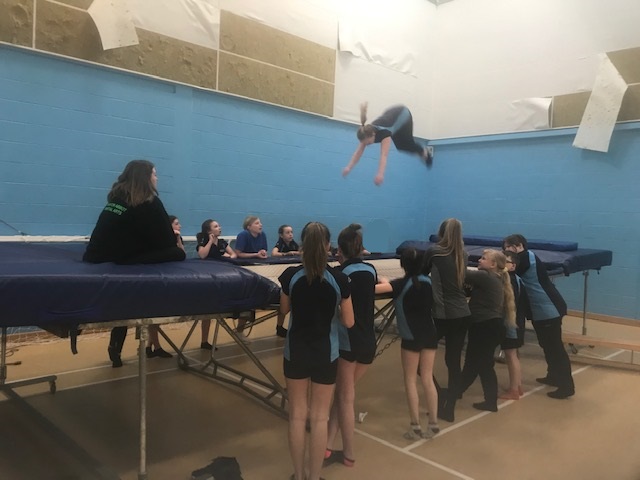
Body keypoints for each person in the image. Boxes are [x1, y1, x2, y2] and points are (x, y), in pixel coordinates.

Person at [83, 159, 186, 367]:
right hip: (123, 259)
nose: (157, 178)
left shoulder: (116, 198)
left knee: (124, 302)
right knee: (178, 253)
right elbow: (165, 241)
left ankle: (120, 343)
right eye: (154, 174)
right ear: (146, 178)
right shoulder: (150, 202)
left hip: (96, 255)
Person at [278, 222, 354, 480]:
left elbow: (284, 310)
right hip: (325, 353)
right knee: (320, 419)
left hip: (296, 351)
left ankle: (299, 475)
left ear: (303, 245)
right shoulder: (339, 279)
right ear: (328, 246)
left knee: (297, 416)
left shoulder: (290, 275)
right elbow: (349, 321)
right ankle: (313, 477)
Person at [325, 224, 377, 468]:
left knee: (345, 398)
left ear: (339, 251)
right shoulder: (371, 270)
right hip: (368, 342)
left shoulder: (340, 274)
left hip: (349, 343)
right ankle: (327, 446)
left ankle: (348, 453)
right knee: (342, 394)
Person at [442, 249, 516, 418]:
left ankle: (489, 401)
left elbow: (460, 273)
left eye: (483, 258)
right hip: (488, 326)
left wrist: (456, 256)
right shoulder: (494, 277)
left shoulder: (486, 276)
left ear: (493, 264)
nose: (480, 260)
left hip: (486, 327)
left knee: (483, 365)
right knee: (474, 364)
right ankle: (458, 391)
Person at [375, 247, 440, 440]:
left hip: (411, 337)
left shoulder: (401, 284)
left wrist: (383, 281)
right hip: (430, 334)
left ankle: (415, 425)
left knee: (410, 380)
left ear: (403, 265)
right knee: (427, 378)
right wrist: (388, 282)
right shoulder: (428, 282)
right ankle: (433, 423)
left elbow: (375, 289)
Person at [503, 234, 575, 399]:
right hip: (543, 309)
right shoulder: (528, 256)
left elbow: (506, 269)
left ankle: (567, 386)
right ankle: (553, 375)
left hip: (547, 309)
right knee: (547, 345)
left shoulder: (523, 259)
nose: (506, 251)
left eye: (508, 247)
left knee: (555, 348)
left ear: (518, 246)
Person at [423, 218, 471, 422]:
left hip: (444, 315)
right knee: (453, 361)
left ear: (441, 233)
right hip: (463, 313)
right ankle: (449, 406)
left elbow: (421, 273)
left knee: (420, 360)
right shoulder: (463, 254)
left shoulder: (434, 252)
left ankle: (438, 394)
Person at [342, 103, 433, 186]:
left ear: (373, 134)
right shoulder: (365, 132)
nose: (368, 145)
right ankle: (420, 151)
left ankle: (424, 152)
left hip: (403, 115)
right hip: (392, 117)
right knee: (400, 146)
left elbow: (384, 155)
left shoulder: (384, 134)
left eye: (368, 143)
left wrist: (380, 174)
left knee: (407, 144)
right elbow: (358, 152)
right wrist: (349, 167)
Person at [196, 219, 237, 350]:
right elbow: (202, 255)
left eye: (219, 226)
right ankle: (204, 340)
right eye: (216, 226)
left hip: (221, 275)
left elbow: (233, 254)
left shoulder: (222, 242)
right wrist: (210, 241)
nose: (220, 228)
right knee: (207, 309)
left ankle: (205, 341)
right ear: (209, 230)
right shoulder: (203, 240)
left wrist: (228, 256)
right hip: (207, 277)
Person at [499, 250, 528, 400]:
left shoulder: (509, 281)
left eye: (505, 262)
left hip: (512, 324)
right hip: (517, 322)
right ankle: (518, 385)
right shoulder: (517, 279)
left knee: (510, 355)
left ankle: (514, 390)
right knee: (514, 354)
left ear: (513, 266)